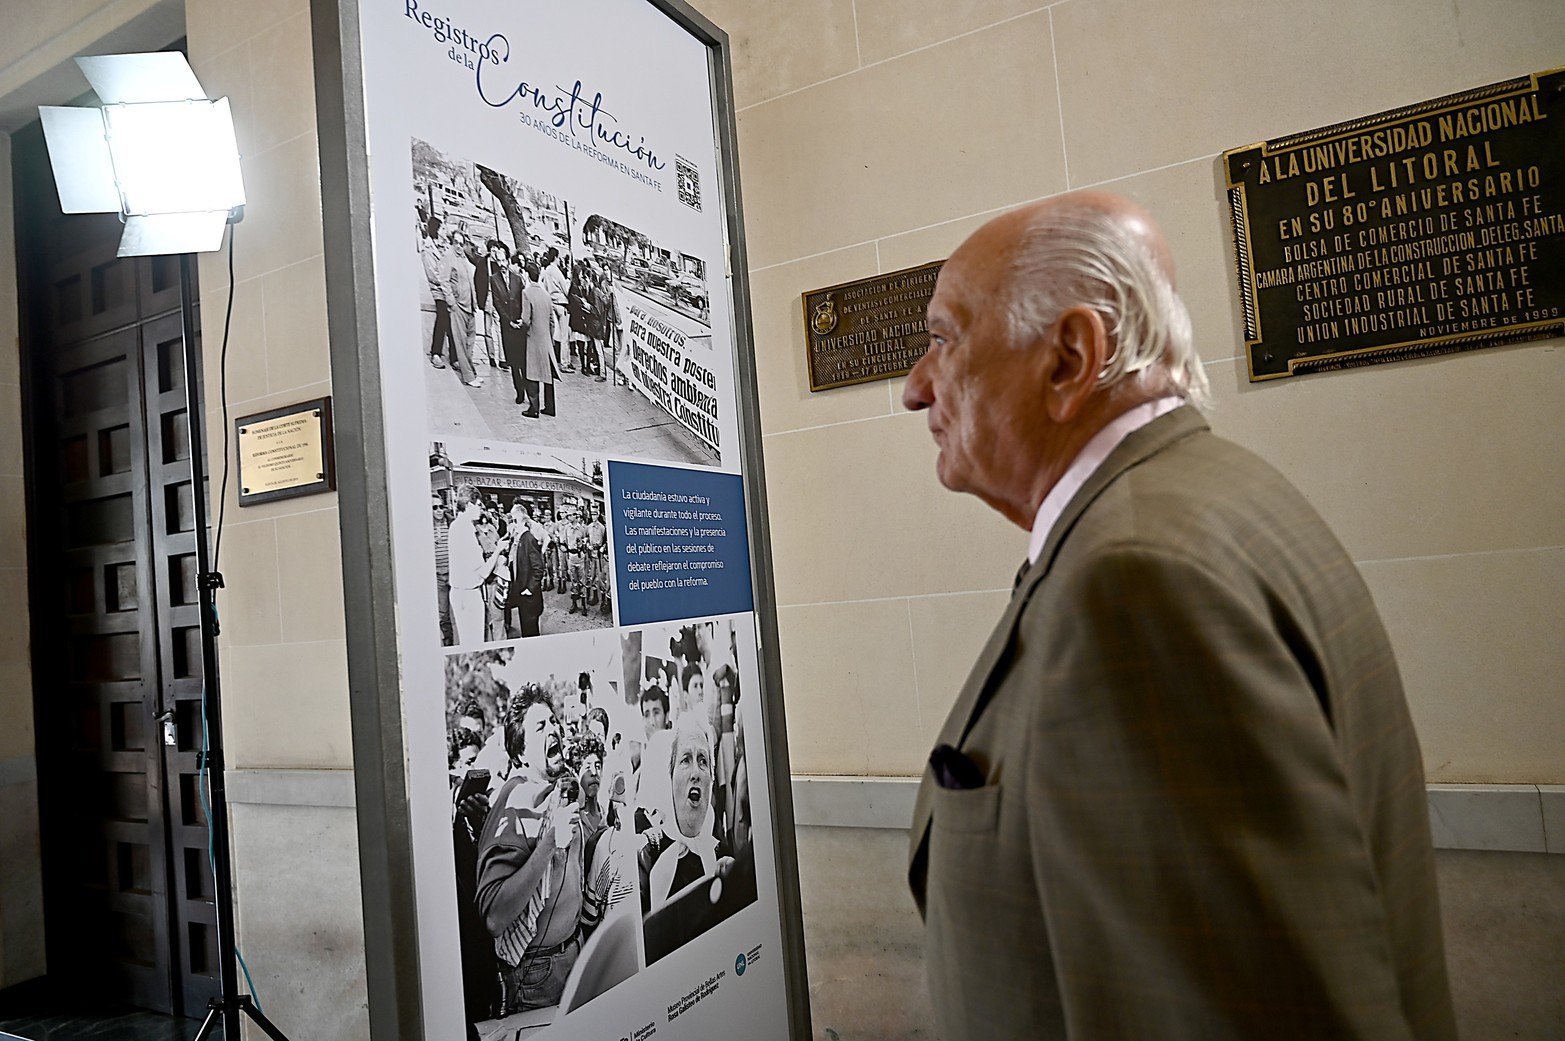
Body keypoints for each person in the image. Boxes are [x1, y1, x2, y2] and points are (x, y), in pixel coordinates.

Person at [900, 191, 1455, 1041]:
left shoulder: (1135, 582)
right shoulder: (1215, 494)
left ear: (1068, 358)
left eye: (943, 338)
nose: (915, 387)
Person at [476, 685, 599, 1014]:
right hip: (538, 978)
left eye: (554, 722)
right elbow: (494, 917)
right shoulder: (516, 802)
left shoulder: (556, 790)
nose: (555, 729)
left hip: (574, 955)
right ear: (519, 752)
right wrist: (548, 843)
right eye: (541, 727)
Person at [446, 486, 502, 645]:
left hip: (458, 592)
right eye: (479, 505)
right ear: (469, 505)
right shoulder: (465, 530)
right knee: (475, 645)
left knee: (467, 642)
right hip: (469, 595)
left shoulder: (455, 526)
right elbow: (482, 572)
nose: (481, 509)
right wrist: (498, 550)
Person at [516, 258, 558, 418]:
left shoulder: (526, 293)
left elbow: (526, 319)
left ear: (527, 275)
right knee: (547, 375)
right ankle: (550, 407)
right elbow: (552, 321)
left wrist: (522, 327)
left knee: (532, 373)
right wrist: (548, 335)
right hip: (546, 339)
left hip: (533, 338)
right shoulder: (546, 294)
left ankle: (534, 408)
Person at [442, 232, 484, 388]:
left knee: (470, 342)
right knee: (460, 343)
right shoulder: (448, 257)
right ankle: (467, 376)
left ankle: (472, 372)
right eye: (456, 243)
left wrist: (474, 304)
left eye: (461, 243)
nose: (459, 246)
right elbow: (444, 281)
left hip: (470, 306)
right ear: (452, 242)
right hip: (458, 306)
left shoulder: (464, 258)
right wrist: (452, 303)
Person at [507, 506, 545, 638]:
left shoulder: (529, 539)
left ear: (522, 520)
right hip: (522, 595)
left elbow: (538, 568)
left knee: (530, 632)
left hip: (529, 597)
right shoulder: (518, 539)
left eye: (514, 520)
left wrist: (529, 588)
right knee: (525, 630)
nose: (512, 524)